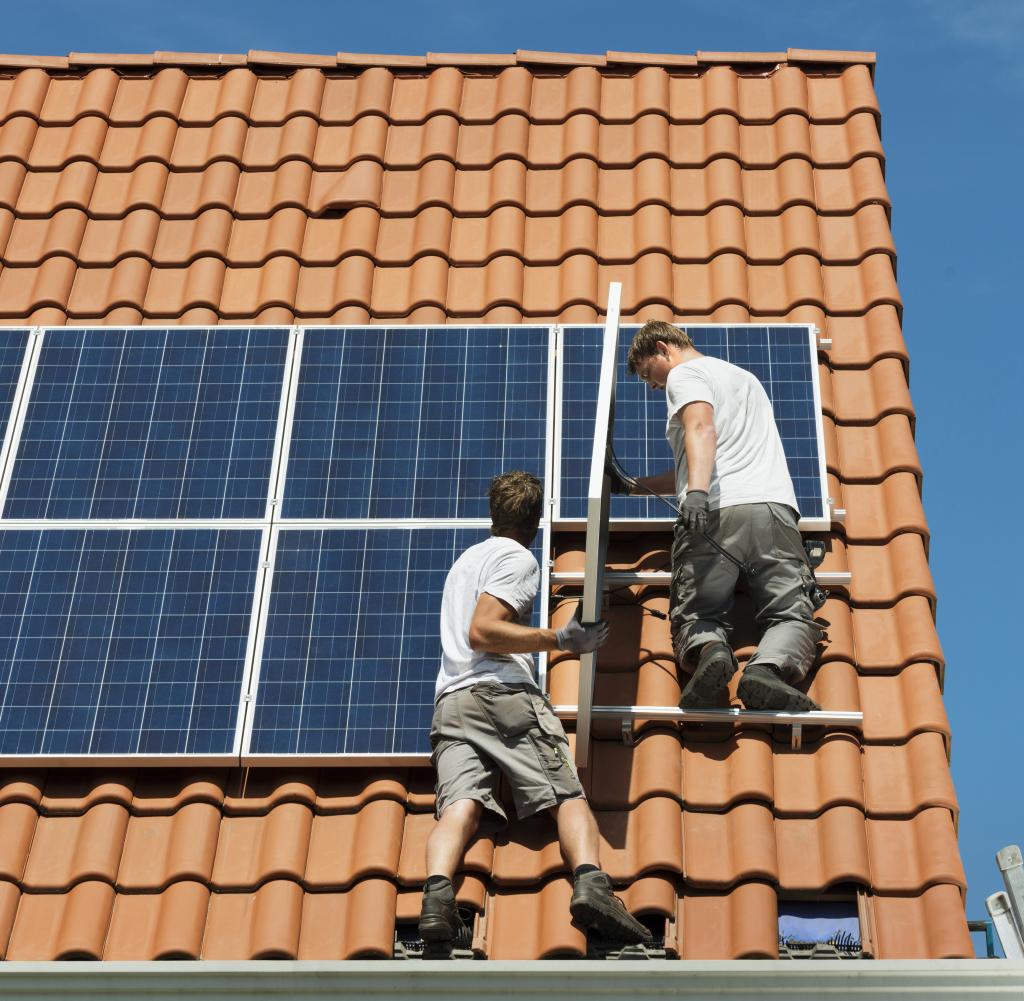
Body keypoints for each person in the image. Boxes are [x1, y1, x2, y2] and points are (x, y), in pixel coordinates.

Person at [419, 470, 651, 947]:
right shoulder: (517, 558)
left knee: (460, 806)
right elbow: (483, 631)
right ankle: (592, 885)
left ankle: (437, 901)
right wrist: (560, 640)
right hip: (499, 696)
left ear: (492, 512)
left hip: (451, 703)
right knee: (567, 793)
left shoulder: (465, 562)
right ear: (536, 518)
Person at [608, 320, 822, 713]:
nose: (651, 386)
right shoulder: (745, 379)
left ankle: (710, 653)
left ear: (662, 348)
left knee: (699, 610)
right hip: (772, 511)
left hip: (717, 514)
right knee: (791, 611)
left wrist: (698, 495)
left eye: (646, 374)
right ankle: (767, 670)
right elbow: (698, 460)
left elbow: (701, 428)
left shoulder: (685, 374)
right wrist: (634, 486)